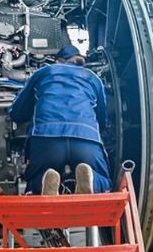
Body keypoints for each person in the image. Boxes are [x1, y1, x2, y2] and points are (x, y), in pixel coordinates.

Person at [9, 44, 112, 195]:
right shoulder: (92, 78)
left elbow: (17, 113)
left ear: (57, 62)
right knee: (103, 179)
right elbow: (103, 119)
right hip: (85, 138)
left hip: (47, 139)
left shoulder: (43, 73)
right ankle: (92, 179)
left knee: (34, 180)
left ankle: (44, 180)